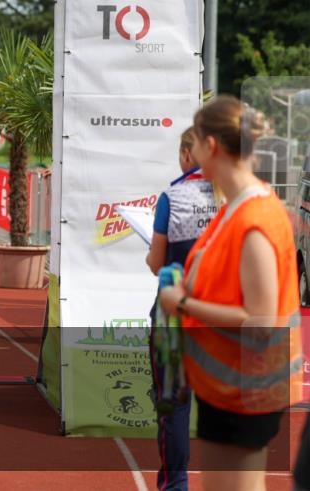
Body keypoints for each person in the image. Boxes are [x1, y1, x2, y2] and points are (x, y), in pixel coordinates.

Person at [159, 96, 302, 491]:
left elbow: (260, 321)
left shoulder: (253, 218)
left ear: (212, 146)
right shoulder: (234, 208)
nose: (190, 153)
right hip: (230, 384)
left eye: (197, 142)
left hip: (246, 386)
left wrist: (182, 302)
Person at [145, 126, 218, 491]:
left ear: (189, 156)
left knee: (173, 404)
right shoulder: (234, 199)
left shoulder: (172, 197)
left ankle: (176, 484)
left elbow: (157, 263)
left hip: (175, 315)